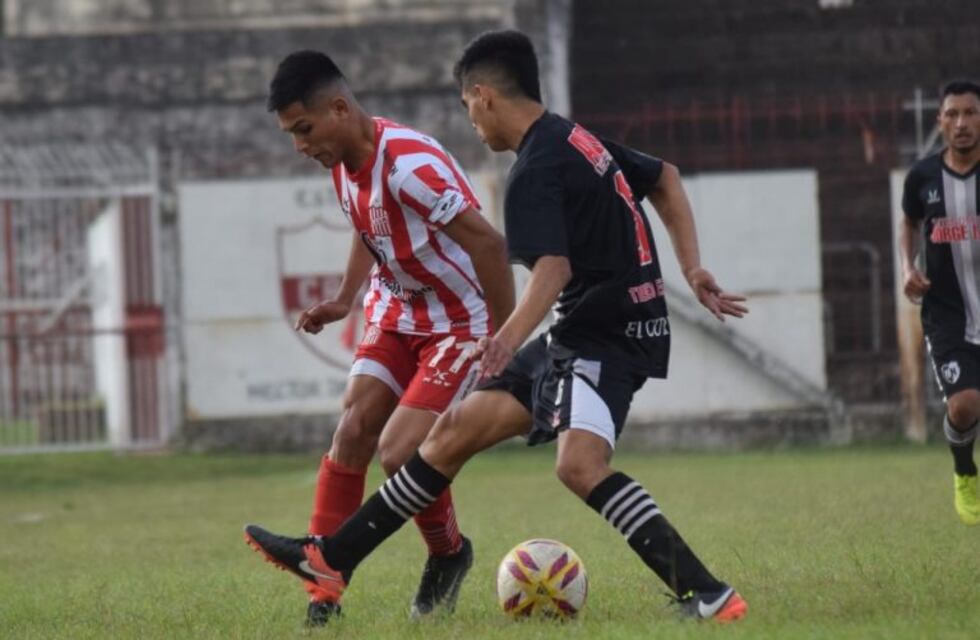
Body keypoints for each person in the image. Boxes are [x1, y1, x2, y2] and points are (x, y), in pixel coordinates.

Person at [245, 31, 749, 622]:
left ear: (483, 97)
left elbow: (551, 270)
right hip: (584, 330)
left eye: (467, 109)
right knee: (451, 433)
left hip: (603, 336)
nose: (472, 127)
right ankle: (332, 558)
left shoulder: (533, 171)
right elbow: (663, 176)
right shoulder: (573, 138)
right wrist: (691, 268)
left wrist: (504, 338)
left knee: (577, 467)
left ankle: (710, 595)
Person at [256, 50, 515, 624]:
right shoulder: (341, 161)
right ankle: (323, 599)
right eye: (291, 134)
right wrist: (346, 298)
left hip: (458, 322)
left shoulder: (408, 165)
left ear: (340, 109)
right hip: (397, 312)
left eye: (304, 129)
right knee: (352, 431)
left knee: (400, 452)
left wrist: (502, 339)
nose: (300, 145)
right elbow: (366, 225)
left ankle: (449, 554)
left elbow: (491, 247)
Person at [900, 79, 980, 526]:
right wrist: (908, 266)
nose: (962, 123)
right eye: (953, 115)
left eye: (970, 113)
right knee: (965, 405)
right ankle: (965, 471)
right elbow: (907, 222)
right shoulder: (922, 178)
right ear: (940, 121)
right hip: (946, 314)